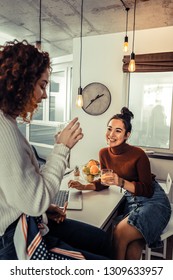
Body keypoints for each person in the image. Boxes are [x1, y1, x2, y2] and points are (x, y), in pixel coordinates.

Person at [0, 40, 112, 260]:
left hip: (30, 220)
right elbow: (35, 200)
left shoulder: (8, 122)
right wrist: (62, 148)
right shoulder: (4, 131)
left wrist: (43, 210)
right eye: (42, 85)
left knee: (103, 239)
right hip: (16, 241)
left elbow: (17, 189)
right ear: (22, 83)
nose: (44, 95)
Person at [68, 107, 171, 260]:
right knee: (134, 244)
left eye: (118, 131)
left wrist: (121, 182)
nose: (111, 135)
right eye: (109, 129)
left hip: (153, 201)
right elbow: (104, 182)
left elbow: (147, 190)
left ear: (127, 135)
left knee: (119, 232)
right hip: (132, 201)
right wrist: (84, 186)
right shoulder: (103, 153)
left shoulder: (138, 154)